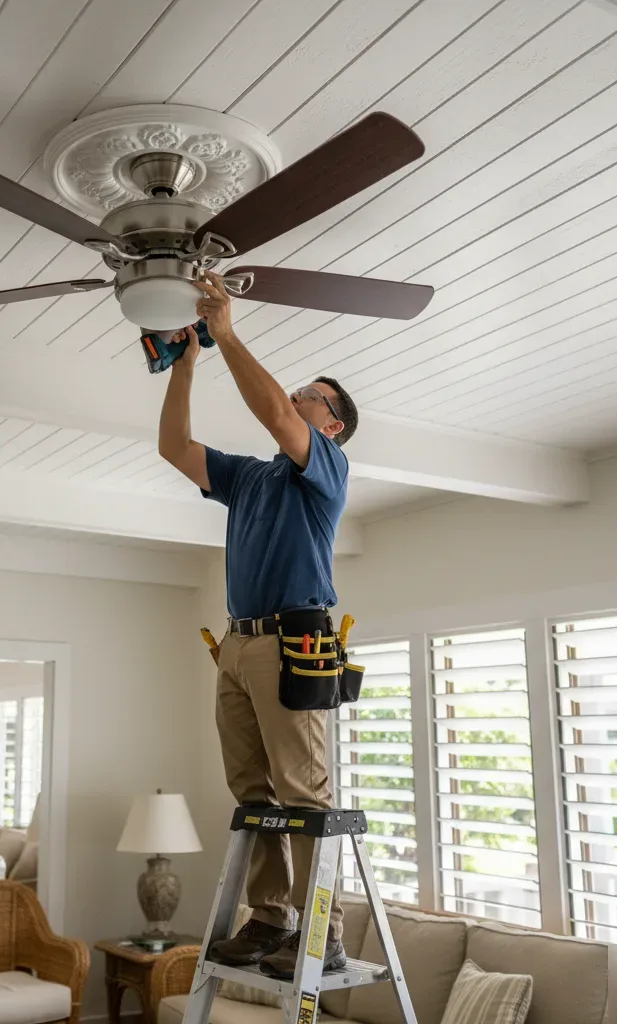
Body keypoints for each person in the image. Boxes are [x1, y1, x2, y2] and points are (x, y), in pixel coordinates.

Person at [156, 270, 358, 980]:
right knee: (253, 795)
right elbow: (175, 447)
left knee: (305, 794)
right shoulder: (250, 478)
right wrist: (186, 364)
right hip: (238, 643)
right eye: (304, 390)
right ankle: (270, 918)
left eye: (313, 397)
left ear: (329, 424)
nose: (300, 396)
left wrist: (229, 333)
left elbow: (276, 415)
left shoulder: (325, 466)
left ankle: (323, 931)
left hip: (293, 641)